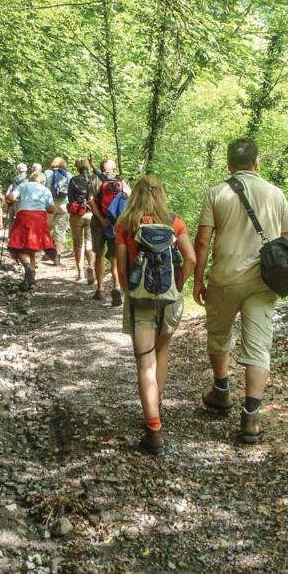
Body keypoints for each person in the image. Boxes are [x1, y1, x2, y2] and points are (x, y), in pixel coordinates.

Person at [193, 139, 288, 444]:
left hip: (225, 277)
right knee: (258, 347)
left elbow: (202, 241)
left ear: (228, 164)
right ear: (257, 163)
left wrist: (197, 280)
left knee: (219, 334)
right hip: (264, 281)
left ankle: (221, 391)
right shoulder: (276, 194)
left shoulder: (217, 193)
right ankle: (251, 417)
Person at [115, 176, 196, 455]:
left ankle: (154, 429)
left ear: (135, 194)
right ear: (161, 194)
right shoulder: (175, 221)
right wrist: (179, 284)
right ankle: (155, 403)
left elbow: (122, 268)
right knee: (162, 350)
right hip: (170, 298)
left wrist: (129, 291)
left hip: (141, 300)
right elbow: (192, 259)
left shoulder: (125, 224)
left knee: (144, 362)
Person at [6, 170, 56, 290]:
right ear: (43, 180)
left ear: (31, 178)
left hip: (24, 216)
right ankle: (30, 279)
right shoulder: (45, 190)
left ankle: (28, 268)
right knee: (31, 247)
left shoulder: (23, 185)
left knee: (19, 246)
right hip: (39, 218)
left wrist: (11, 199)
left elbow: (12, 197)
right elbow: (52, 209)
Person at [89, 158, 128, 306]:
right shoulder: (121, 180)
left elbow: (91, 200)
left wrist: (100, 218)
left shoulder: (94, 179)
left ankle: (100, 289)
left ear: (101, 167)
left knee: (98, 253)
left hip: (99, 222)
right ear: (113, 167)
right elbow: (127, 200)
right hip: (116, 223)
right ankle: (117, 286)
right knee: (114, 257)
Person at [67, 158, 96, 283]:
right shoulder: (94, 179)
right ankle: (91, 267)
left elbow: (69, 198)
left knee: (78, 244)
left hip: (77, 214)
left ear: (77, 167)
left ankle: (80, 273)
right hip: (91, 214)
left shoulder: (74, 180)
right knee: (90, 243)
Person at [45, 157, 71, 266]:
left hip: (50, 204)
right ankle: (57, 257)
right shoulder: (69, 175)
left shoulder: (47, 173)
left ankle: (49, 250)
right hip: (64, 204)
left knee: (46, 227)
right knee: (60, 230)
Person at [5, 163, 28, 229]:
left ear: (18, 170)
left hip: (13, 200)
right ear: (26, 169)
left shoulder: (15, 178)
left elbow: (11, 189)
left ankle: (10, 235)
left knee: (12, 219)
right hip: (24, 202)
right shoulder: (28, 178)